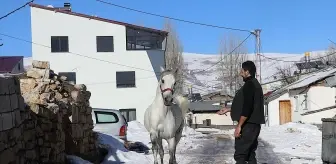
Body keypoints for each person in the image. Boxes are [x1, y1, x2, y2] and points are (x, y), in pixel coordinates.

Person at [217, 60, 265, 164]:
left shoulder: (249, 85)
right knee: (250, 154)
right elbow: (248, 104)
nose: (240, 73)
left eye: (242, 71)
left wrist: (239, 126)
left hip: (248, 125)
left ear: (247, 71)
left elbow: (247, 108)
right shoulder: (255, 84)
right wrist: (229, 109)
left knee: (240, 155)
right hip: (254, 125)